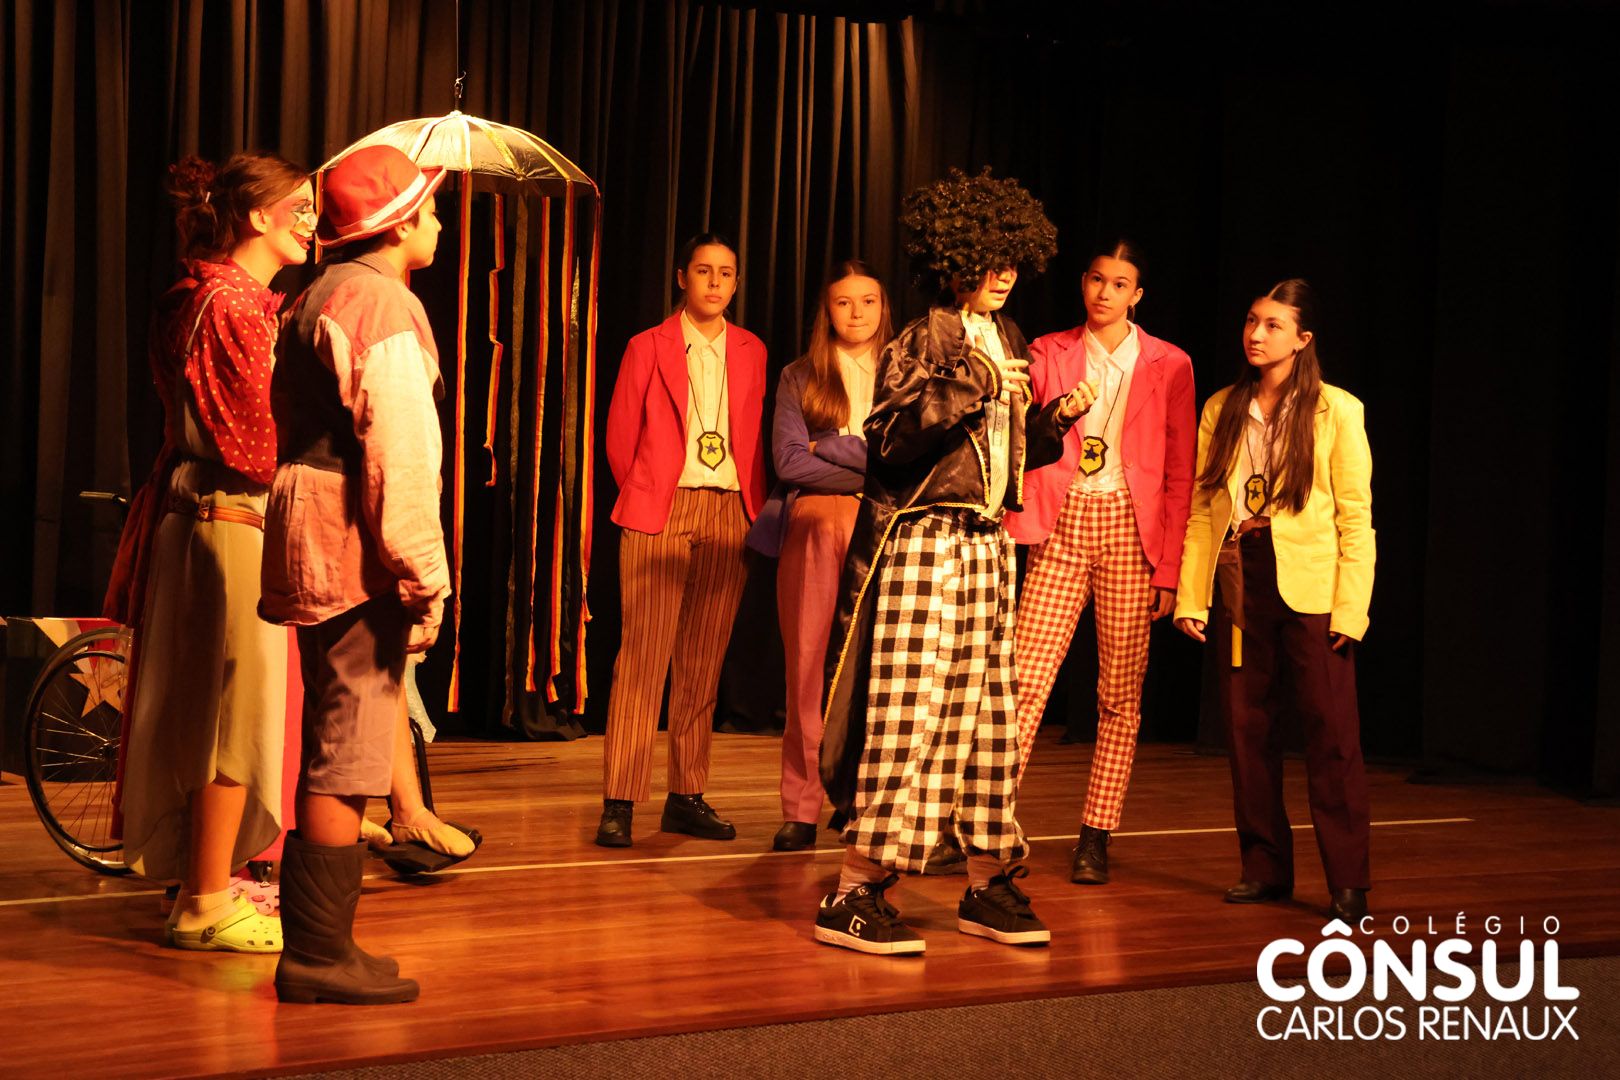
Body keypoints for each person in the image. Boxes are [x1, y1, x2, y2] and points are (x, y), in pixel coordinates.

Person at [815, 168, 1090, 955]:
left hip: (988, 543)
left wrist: (1050, 423)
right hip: (925, 542)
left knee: (989, 721)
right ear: (956, 258)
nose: (1004, 274)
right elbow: (890, 441)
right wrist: (973, 386)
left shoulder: (1005, 337)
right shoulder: (925, 338)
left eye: (1013, 261)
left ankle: (986, 882)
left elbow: (997, 453)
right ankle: (853, 889)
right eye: (990, 259)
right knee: (911, 716)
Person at [260, 144, 451, 1004]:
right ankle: (316, 954)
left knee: (339, 731)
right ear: (399, 224)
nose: (438, 224)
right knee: (349, 741)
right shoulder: (381, 303)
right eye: (430, 211)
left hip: (311, 518)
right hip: (350, 536)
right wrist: (423, 576)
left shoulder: (319, 292)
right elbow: (398, 455)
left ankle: (325, 943)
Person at [110, 150, 314, 954]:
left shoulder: (208, 294)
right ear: (258, 217)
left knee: (206, 712)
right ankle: (201, 902)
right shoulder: (232, 305)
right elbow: (258, 443)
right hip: (229, 518)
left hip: (200, 513)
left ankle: (205, 882)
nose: (312, 224)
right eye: (299, 209)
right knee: (234, 717)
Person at [1173, 278, 1375, 923]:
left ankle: (1348, 880)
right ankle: (1263, 868)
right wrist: (1192, 595)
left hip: (1312, 584)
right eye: (1251, 321)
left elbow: (1355, 518)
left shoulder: (1336, 409)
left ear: (1302, 339)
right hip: (1242, 576)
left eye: (1273, 325)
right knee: (1247, 729)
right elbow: (1204, 508)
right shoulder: (1224, 407)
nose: (1256, 335)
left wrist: (1351, 609)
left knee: (1330, 733)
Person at [1004, 239, 1196, 885]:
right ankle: (991, 821)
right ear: (1083, 283)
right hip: (1061, 519)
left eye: (1119, 284)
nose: (1104, 293)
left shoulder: (1170, 363)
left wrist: (1168, 569)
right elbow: (1022, 437)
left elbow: (1180, 472)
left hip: (1130, 530)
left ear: (1137, 295)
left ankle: (1096, 833)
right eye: (1096, 279)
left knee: (1119, 694)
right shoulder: (1047, 351)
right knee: (1025, 680)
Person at [595, 234, 767, 848]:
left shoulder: (751, 349)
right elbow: (620, 436)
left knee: (702, 661)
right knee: (642, 659)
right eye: (704, 271)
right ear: (681, 278)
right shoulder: (648, 345)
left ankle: (686, 795)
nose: (715, 283)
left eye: (726, 273)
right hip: (661, 507)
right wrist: (647, 492)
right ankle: (620, 799)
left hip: (730, 509)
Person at [746, 261, 893, 852]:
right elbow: (789, 462)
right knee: (807, 666)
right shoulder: (800, 375)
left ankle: (870, 804)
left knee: (883, 669)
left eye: (868, 300)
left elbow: (908, 462)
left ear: (884, 307)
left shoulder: (904, 372)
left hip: (887, 528)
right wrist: (868, 466)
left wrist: (829, 445)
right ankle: (802, 808)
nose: (857, 313)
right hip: (814, 524)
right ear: (826, 311)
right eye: (843, 302)